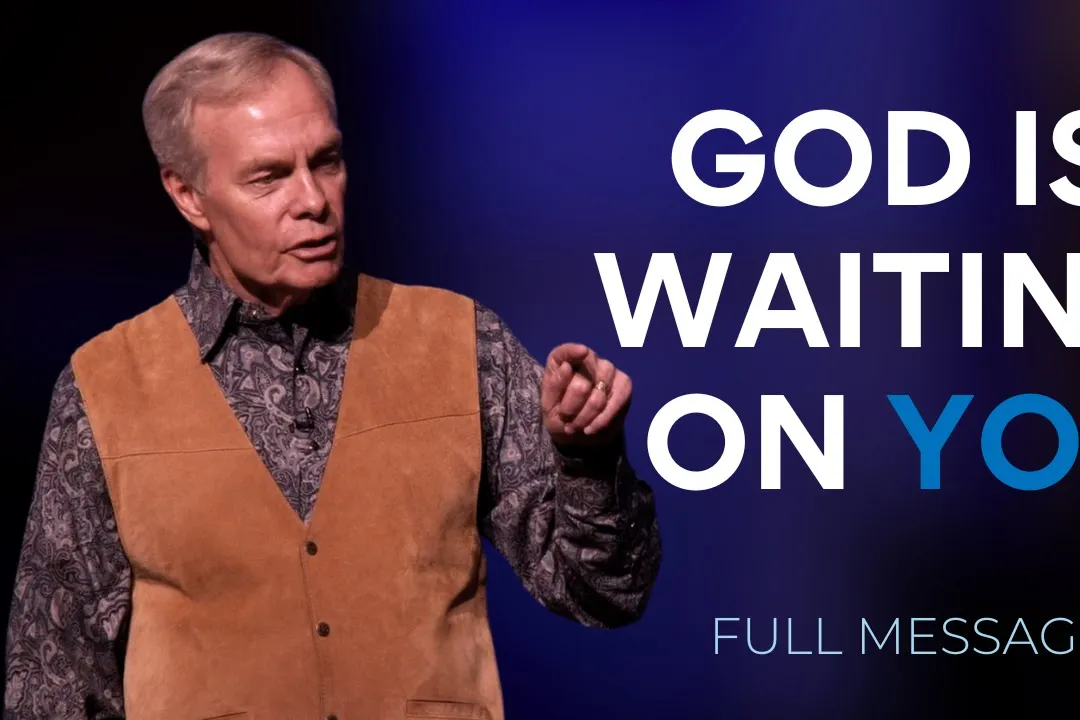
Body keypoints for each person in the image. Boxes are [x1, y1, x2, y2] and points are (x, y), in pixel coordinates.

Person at [3, 32, 661, 720]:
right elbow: (54, 680)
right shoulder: (105, 388)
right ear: (188, 195)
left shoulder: (461, 343)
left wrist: (588, 458)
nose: (313, 200)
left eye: (327, 162)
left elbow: (606, 593)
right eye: (268, 177)